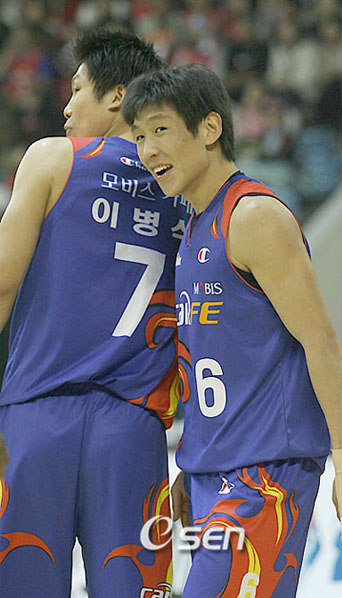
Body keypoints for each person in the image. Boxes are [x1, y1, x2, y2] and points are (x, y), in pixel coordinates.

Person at [122, 63, 342, 597]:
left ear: (209, 128)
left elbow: (321, 341)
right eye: (140, 136)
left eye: (160, 129)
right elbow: (217, 360)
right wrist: (196, 461)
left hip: (265, 474)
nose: (148, 150)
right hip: (214, 472)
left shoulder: (253, 216)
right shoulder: (194, 227)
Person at [0, 30, 190, 597]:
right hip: (134, 432)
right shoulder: (186, 190)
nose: (66, 106)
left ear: (117, 96)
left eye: (77, 89)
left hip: (36, 419)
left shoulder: (51, 158)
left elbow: (2, 285)